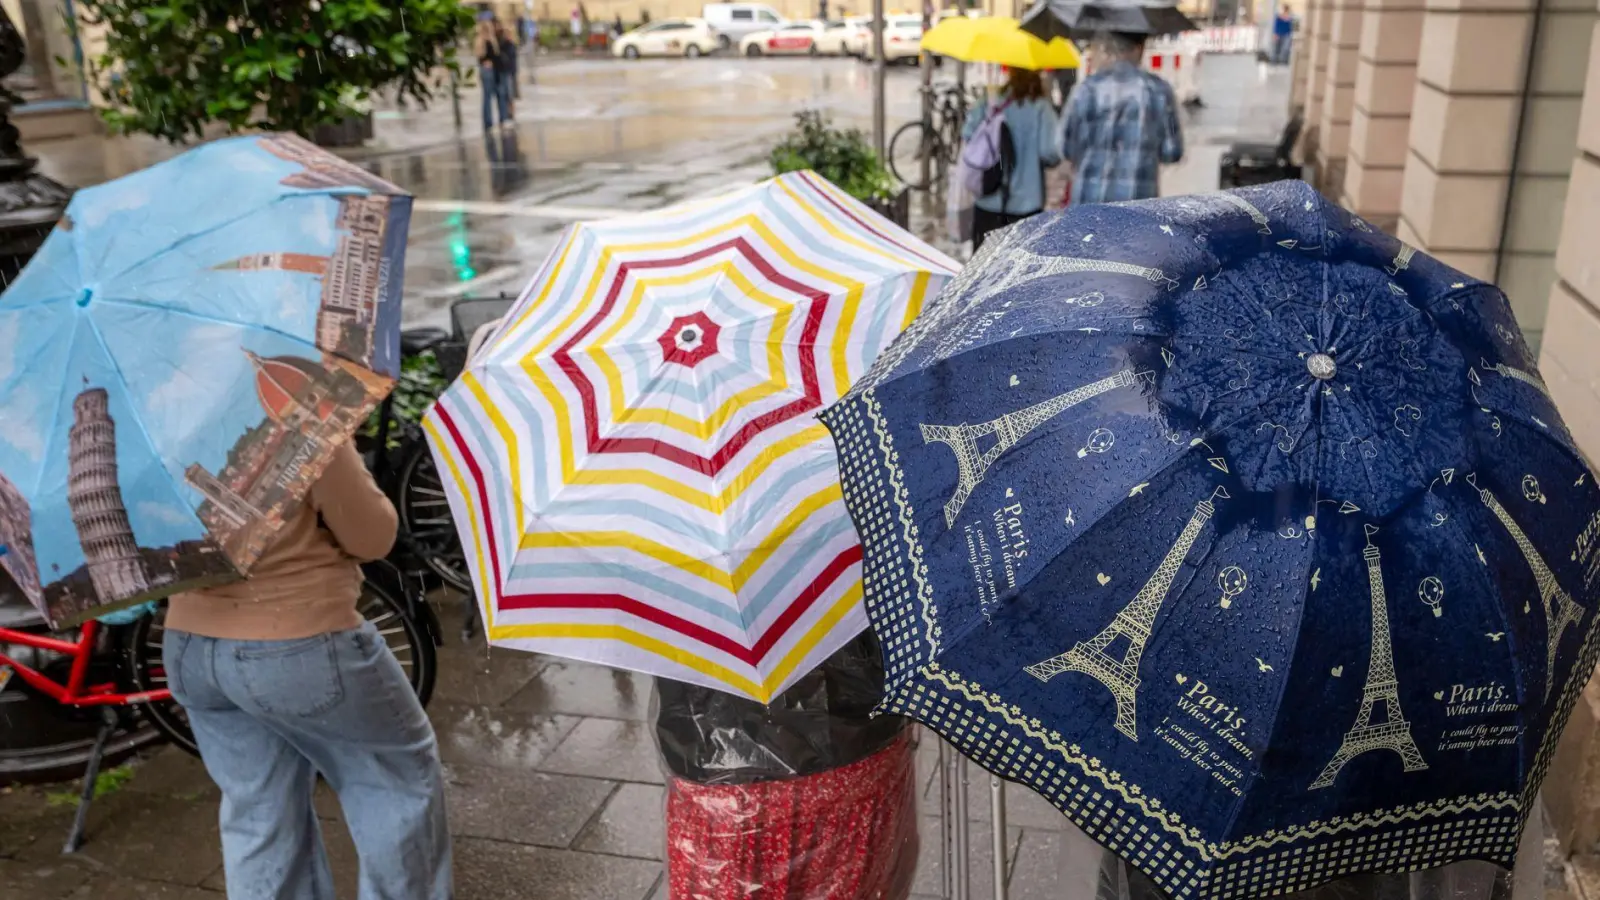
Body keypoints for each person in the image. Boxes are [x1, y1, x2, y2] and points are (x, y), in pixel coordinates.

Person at [162, 440, 450, 899]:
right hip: (296, 635)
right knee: (394, 780)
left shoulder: (155, 430)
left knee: (259, 811)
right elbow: (372, 536)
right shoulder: (292, 417)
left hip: (190, 644)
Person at [1059, 31, 1184, 205]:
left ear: (1108, 46)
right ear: (1140, 48)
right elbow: (1172, 152)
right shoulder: (1158, 90)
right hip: (1137, 205)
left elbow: (1065, 149)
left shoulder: (1086, 89)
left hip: (1088, 204)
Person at [962, 67, 1061, 250]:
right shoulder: (1041, 108)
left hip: (988, 200)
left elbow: (968, 135)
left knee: (984, 263)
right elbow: (1050, 153)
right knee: (1020, 264)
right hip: (1026, 205)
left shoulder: (989, 102)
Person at [475, 19, 511, 129]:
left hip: (495, 70)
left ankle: (500, 120)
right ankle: (489, 122)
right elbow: (480, 56)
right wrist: (485, 62)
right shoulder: (481, 40)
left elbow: (496, 55)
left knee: (498, 95)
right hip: (487, 71)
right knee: (488, 97)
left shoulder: (492, 40)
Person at [496, 17, 521, 109]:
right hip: (506, 70)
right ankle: (508, 109)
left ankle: (510, 109)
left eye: (509, 33)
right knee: (507, 92)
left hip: (510, 70)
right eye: (506, 33)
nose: (507, 35)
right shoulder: (504, 43)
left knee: (510, 92)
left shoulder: (511, 44)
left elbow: (511, 57)